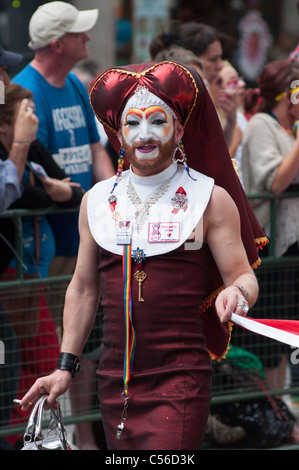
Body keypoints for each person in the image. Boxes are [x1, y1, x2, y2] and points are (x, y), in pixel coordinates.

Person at [19, 61, 266, 451]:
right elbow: (83, 289)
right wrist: (64, 366)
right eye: (132, 123)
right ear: (118, 134)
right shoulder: (97, 201)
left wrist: (238, 292)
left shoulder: (210, 199)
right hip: (114, 379)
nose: (144, 135)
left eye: (157, 121)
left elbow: (242, 274)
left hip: (180, 376)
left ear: (180, 129)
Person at [13, 3, 114, 448]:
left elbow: (95, 148)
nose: (88, 40)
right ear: (59, 42)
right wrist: (74, 196)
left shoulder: (74, 82)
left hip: (90, 232)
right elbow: (35, 174)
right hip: (49, 242)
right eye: (80, 34)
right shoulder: (23, 89)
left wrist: (114, 198)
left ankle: (85, 434)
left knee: (86, 340)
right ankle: (56, 436)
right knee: (56, 345)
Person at [0, 83, 85, 447]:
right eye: (26, 112)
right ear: (6, 125)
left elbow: (74, 190)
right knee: (15, 362)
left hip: (36, 271)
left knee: (43, 356)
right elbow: (15, 195)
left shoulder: (31, 144)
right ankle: (17, 437)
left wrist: (64, 192)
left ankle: (28, 437)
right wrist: (52, 192)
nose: (34, 117)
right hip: (13, 273)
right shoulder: (15, 145)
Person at [240, 59, 299, 392]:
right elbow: (275, 182)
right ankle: (274, 410)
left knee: (288, 327)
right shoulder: (262, 124)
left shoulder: (284, 129)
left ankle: (281, 411)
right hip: (271, 242)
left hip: (290, 242)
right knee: (272, 335)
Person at [209, 61, 247, 184]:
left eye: (239, 79)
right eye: (233, 81)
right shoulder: (211, 118)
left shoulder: (240, 118)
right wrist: (233, 145)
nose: (242, 84)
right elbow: (213, 167)